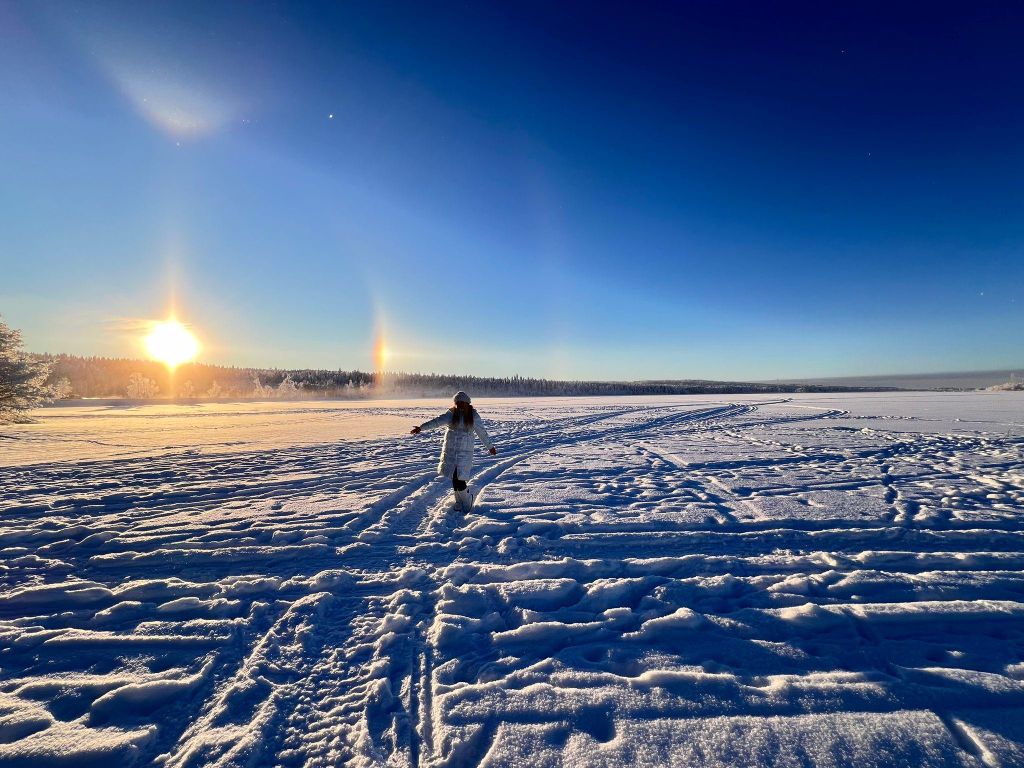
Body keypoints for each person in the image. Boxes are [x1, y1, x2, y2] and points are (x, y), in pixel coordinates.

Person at [411, 391, 496, 510]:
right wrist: (421, 428)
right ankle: (458, 501)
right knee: (453, 476)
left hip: (465, 452)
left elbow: (481, 432)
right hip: (450, 451)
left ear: (467, 403)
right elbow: (436, 422)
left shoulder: (473, 415)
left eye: (462, 403)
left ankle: (467, 499)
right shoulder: (451, 414)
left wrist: (490, 447)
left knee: (459, 478)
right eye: (457, 403)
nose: (460, 405)